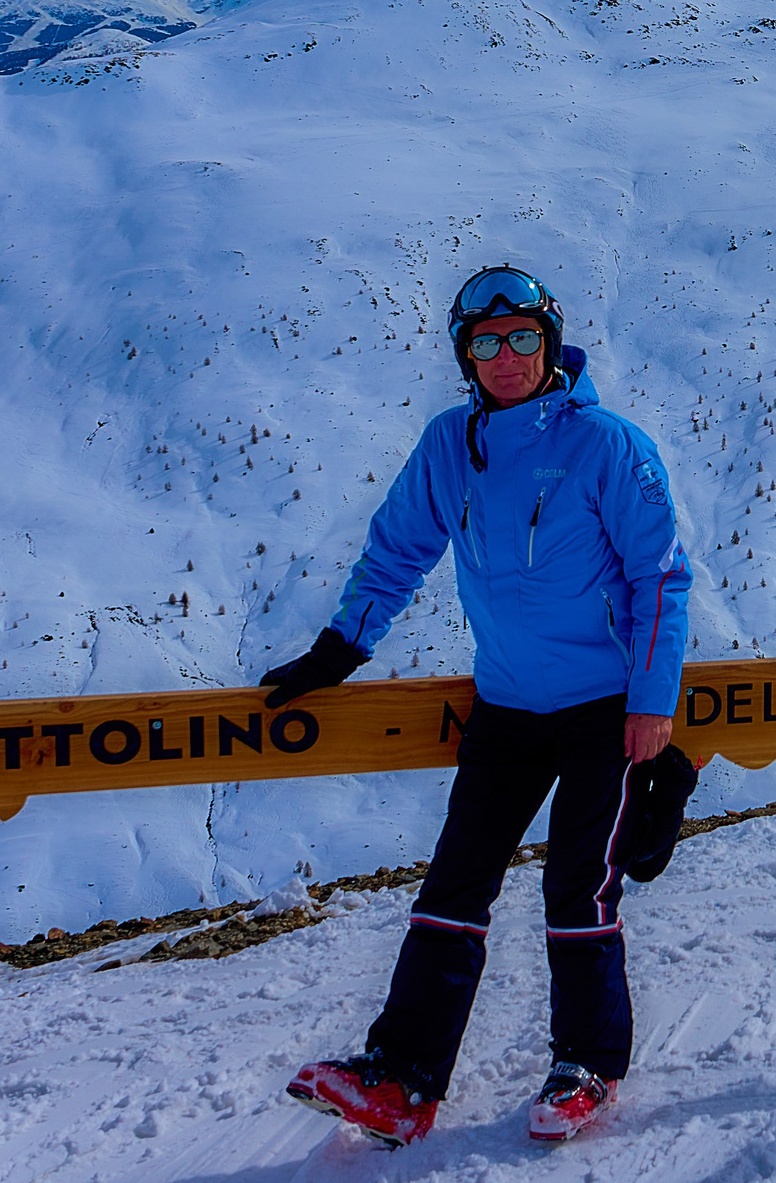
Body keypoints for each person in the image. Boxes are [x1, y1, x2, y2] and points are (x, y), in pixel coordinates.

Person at [267, 265, 693, 1147]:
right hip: (505, 706)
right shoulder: (446, 446)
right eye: (488, 342)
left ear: (551, 343)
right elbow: (396, 553)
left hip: (603, 707)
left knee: (580, 887)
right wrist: (340, 648)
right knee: (455, 885)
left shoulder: (607, 445)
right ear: (466, 355)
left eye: (524, 338)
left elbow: (660, 578)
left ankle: (588, 1067)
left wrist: (652, 704)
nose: (507, 357)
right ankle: (403, 1081)